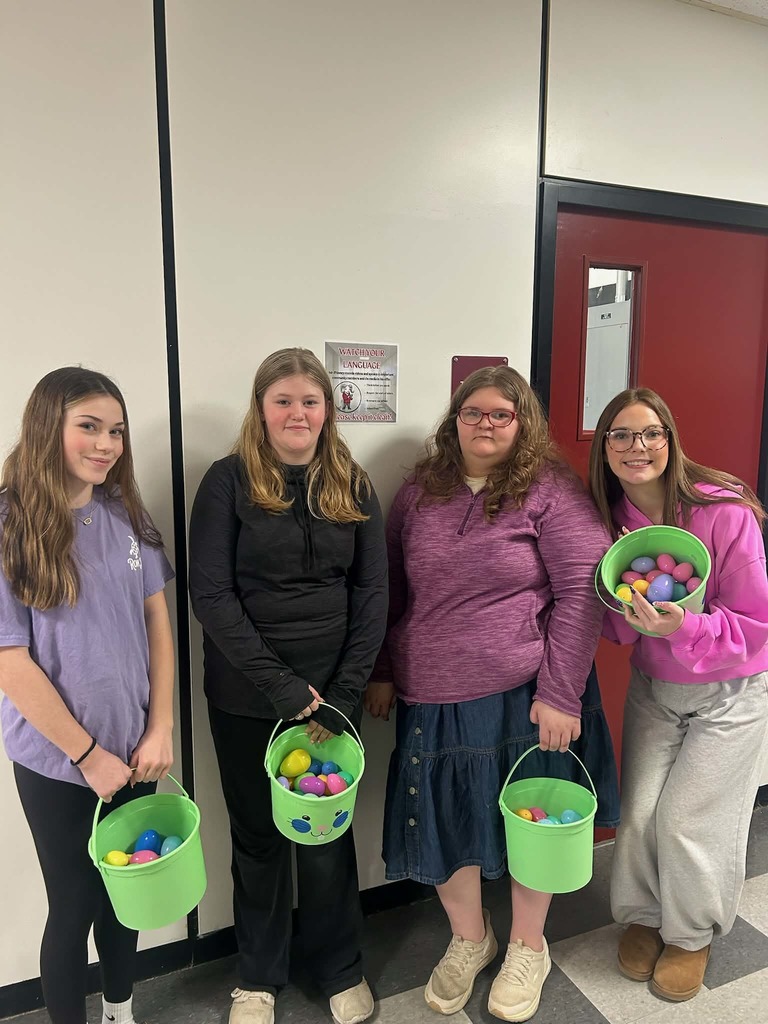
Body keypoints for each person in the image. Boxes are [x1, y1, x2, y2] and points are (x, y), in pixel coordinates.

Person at [366, 365, 619, 1023]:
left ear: (522, 422)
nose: (484, 424)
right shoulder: (421, 490)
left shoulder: (551, 491)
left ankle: (528, 946)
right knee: (443, 824)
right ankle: (471, 940)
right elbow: (391, 585)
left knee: (532, 826)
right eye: (472, 413)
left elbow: (582, 592)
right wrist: (385, 668)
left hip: (523, 694)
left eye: (500, 414)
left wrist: (561, 692)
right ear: (454, 420)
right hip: (431, 691)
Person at [188, 348, 387, 1024]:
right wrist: (280, 687)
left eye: (309, 400)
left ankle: (340, 970)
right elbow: (211, 595)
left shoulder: (354, 484)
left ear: (328, 410)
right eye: (283, 400)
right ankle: (258, 978)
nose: (297, 412)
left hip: (335, 698)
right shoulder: (226, 482)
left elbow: (373, 593)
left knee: (327, 837)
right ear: (261, 409)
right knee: (258, 837)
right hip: (246, 697)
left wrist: (345, 691)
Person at [0, 367, 175, 1024]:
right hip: (58, 762)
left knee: (122, 894)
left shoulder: (124, 514)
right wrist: (85, 755)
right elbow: (9, 662)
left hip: (135, 752)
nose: (106, 444)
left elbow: (157, 619)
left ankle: (120, 1010)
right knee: (73, 905)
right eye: (89, 427)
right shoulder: (9, 522)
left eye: (116, 431)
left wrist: (159, 727)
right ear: (50, 427)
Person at [588, 387, 768, 1002]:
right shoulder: (609, 522)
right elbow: (614, 622)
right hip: (657, 688)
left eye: (650, 433)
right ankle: (643, 917)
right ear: (604, 448)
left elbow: (757, 622)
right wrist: (616, 604)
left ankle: (690, 934)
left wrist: (685, 625)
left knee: (690, 818)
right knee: (638, 812)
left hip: (733, 691)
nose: (637, 447)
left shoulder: (723, 511)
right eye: (621, 435)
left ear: (670, 439)